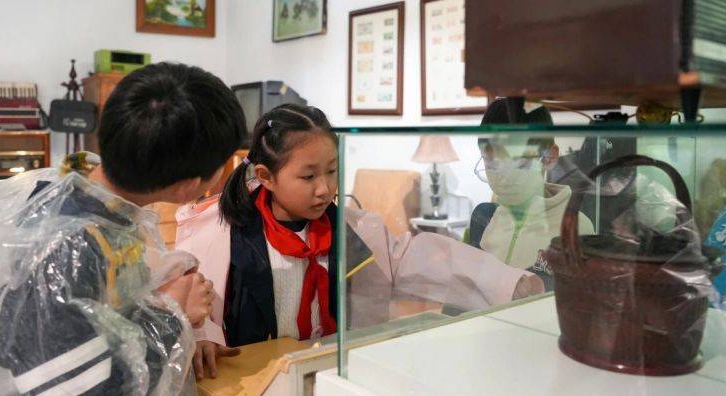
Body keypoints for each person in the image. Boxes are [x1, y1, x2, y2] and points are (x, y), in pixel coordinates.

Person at [0, 62, 246, 396]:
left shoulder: (78, 192)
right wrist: (171, 314)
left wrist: (154, 287)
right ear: (189, 186)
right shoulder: (68, 250)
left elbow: (89, 318)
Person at [174, 104, 544, 380]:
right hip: (255, 383)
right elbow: (192, 301)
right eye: (308, 176)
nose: (325, 189)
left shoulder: (353, 230)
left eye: (332, 171)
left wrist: (509, 283)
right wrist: (201, 336)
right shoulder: (221, 235)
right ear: (266, 176)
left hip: (328, 372)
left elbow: (424, 257)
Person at [467, 98, 594, 289]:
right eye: (491, 164)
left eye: (520, 164)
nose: (504, 179)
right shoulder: (488, 220)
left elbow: (580, 300)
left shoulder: (575, 228)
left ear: (549, 158)